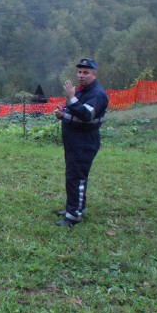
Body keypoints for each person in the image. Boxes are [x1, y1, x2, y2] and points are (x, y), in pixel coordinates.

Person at [53, 58, 109, 227]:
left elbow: (86, 115)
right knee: (74, 177)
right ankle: (77, 207)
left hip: (84, 143)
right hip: (74, 142)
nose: (81, 76)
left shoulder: (98, 95)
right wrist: (63, 114)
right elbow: (75, 115)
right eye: (79, 72)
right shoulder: (82, 91)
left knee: (75, 178)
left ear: (94, 74)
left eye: (86, 72)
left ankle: (73, 216)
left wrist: (71, 98)